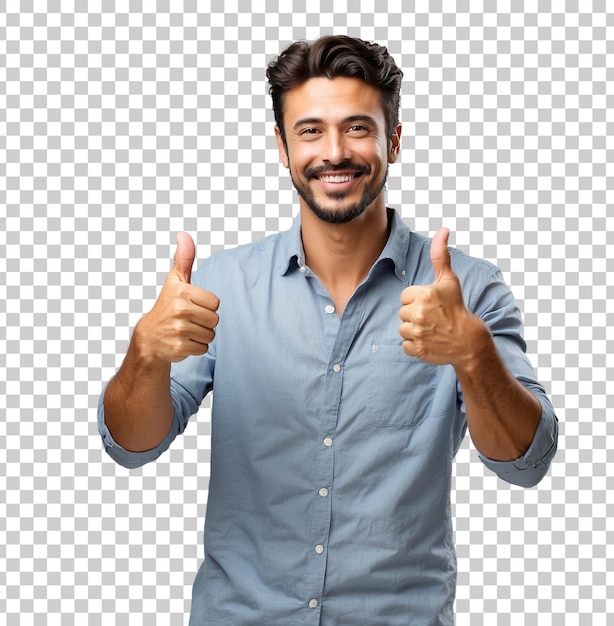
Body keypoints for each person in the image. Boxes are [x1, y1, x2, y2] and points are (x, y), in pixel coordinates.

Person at [98, 35, 558, 625]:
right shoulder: (220, 285)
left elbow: (527, 462)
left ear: (393, 140)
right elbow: (132, 447)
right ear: (282, 146)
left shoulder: (469, 289)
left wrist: (474, 358)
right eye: (310, 130)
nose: (334, 151)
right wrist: (145, 354)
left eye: (358, 128)